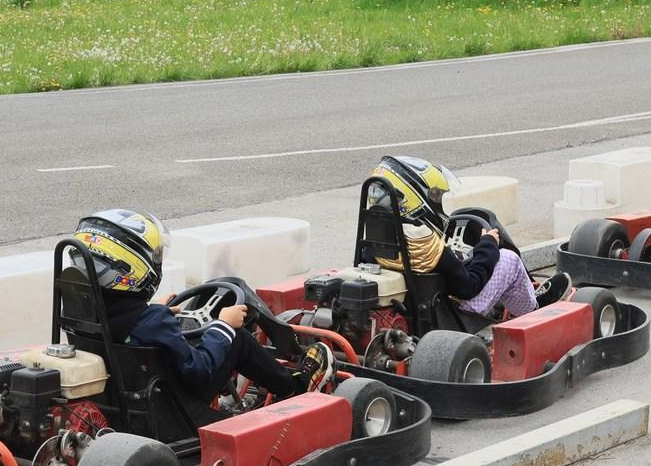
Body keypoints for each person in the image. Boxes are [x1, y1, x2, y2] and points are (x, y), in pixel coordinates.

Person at [72, 209, 326, 402]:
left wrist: (154, 310)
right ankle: (294, 387)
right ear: (134, 269)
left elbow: (129, 322)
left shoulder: (84, 315)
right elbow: (199, 372)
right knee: (237, 339)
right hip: (178, 402)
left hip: (128, 390)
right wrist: (223, 326)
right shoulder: (152, 323)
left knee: (215, 311)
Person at [366, 153, 570, 320]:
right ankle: (532, 309)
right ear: (413, 197)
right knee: (509, 259)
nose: (437, 202)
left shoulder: (375, 238)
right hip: (454, 314)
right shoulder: (426, 244)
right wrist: (487, 245)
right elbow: (468, 287)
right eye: (435, 197)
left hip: (411, 309)